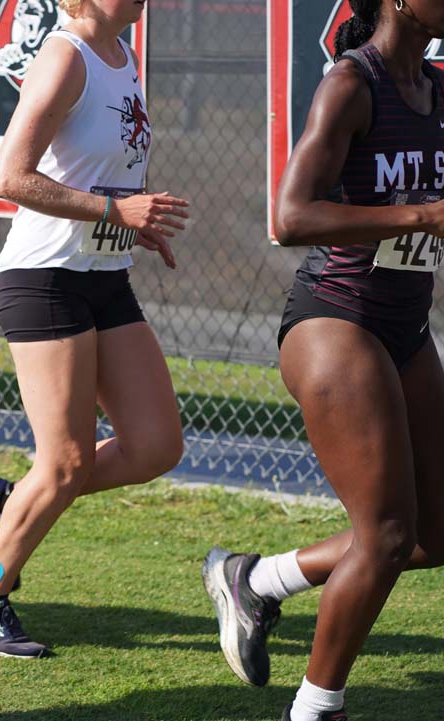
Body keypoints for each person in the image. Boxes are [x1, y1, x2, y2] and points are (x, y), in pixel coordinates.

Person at [201, 2, 444, 719]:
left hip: (404, 326)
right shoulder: (351, 82)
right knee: (388, 534)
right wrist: (420, 215)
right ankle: (316, 707)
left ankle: (257, 579)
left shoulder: (435, 86)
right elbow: (290, 217)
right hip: (336, 319)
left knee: (434, 533)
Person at [0, 0, 188, 659]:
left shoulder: (122, 53)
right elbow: (9, 176)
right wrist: (116, 207)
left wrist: (131, 222)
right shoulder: (65, 54)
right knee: (66, 461)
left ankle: (11, 502)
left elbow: (98, 174)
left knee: (157, 443)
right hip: (44, 279)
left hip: (103, 276)